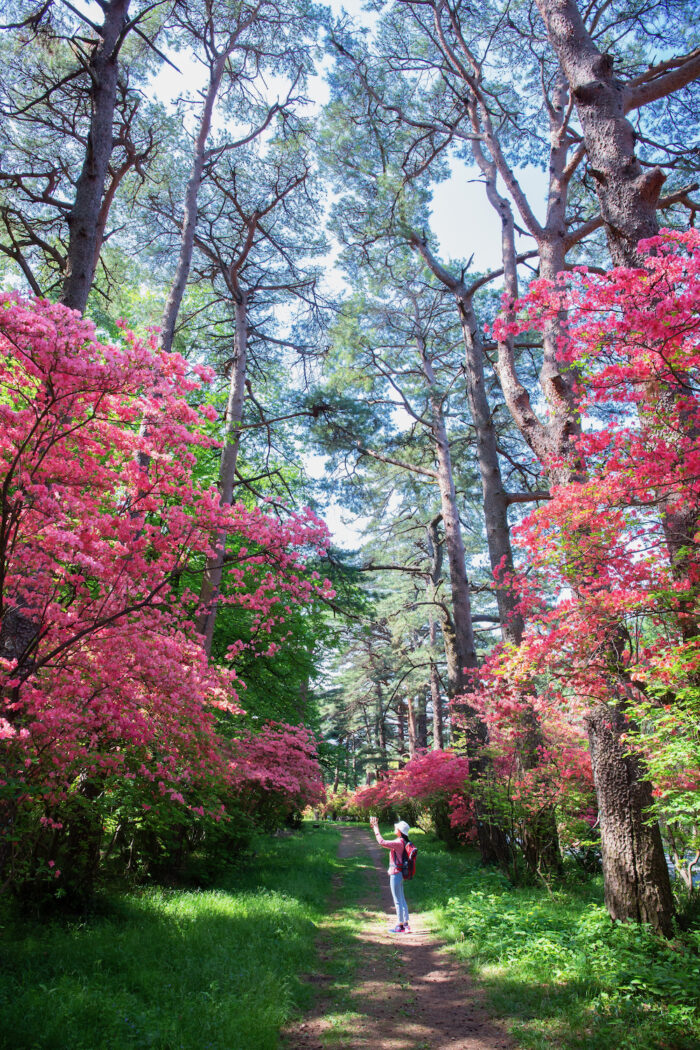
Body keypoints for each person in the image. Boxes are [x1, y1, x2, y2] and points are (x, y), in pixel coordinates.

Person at [369, 815, 411, 933]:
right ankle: (406, 924)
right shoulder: (404, 841)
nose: (395, 828)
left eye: (396, 828)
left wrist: (375, 828)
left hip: (396, 873)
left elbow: (381, 842)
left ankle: (400, 925)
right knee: (402, 898)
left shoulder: (399, 842)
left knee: (397, 900)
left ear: (399, 831)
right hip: (401, 873)